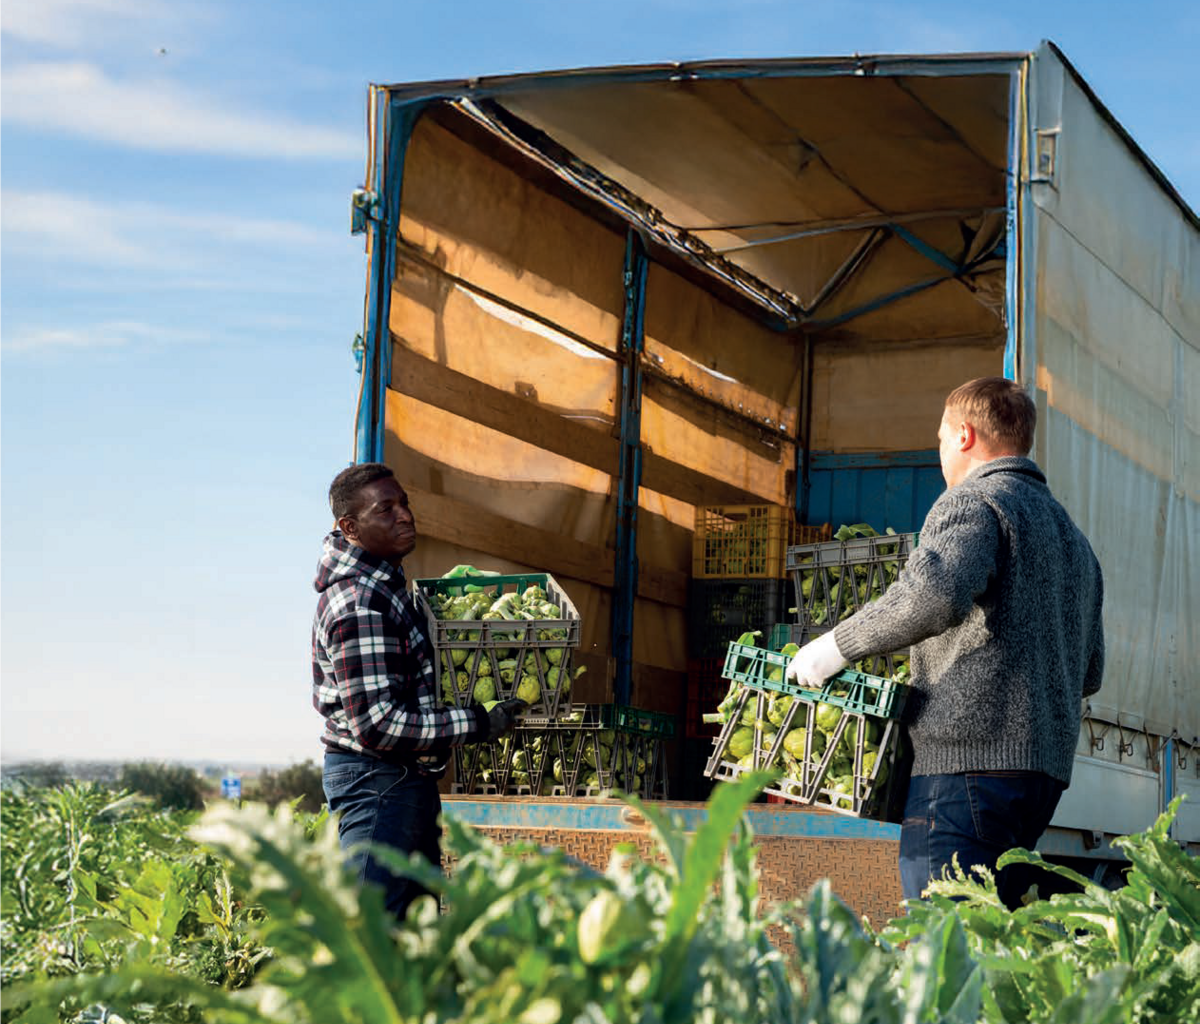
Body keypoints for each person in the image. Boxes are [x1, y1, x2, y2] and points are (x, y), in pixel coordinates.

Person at [786, 377, 1105, 909]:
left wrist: (834, 647)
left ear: (964, 435)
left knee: (944, 948)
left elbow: (933, 594)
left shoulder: (972, 502)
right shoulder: (1075, 541)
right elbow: (1091, 671)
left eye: (938, 439)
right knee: (988, 938)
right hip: (1041, 776)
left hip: (967, 768)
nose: (939, 452)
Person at [312, 462, 525, 919]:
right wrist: (479, 721)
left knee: (414, 941)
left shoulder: (385, 589)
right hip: (378, 786)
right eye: (385, 509)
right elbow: (379, 724)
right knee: (378, 939)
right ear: (350, 527)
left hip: (399, 784)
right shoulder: (360, 602)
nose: (404, 515)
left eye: (404, 503)